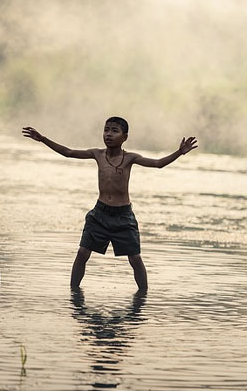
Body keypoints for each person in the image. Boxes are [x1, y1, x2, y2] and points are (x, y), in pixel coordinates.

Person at [23, 117, 196, 291]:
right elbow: (68, 152)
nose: (109, 134)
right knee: (82, 253)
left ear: (124, 137)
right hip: (100, 214)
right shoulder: (97, 154)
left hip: (124, 216)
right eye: (106, 130)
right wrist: (43, 139)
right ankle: (73, 294)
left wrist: (179, 152)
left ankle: (143, 296)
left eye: (114, 131)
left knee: (135, 258)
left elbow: (158, 164)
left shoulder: (130, 158)